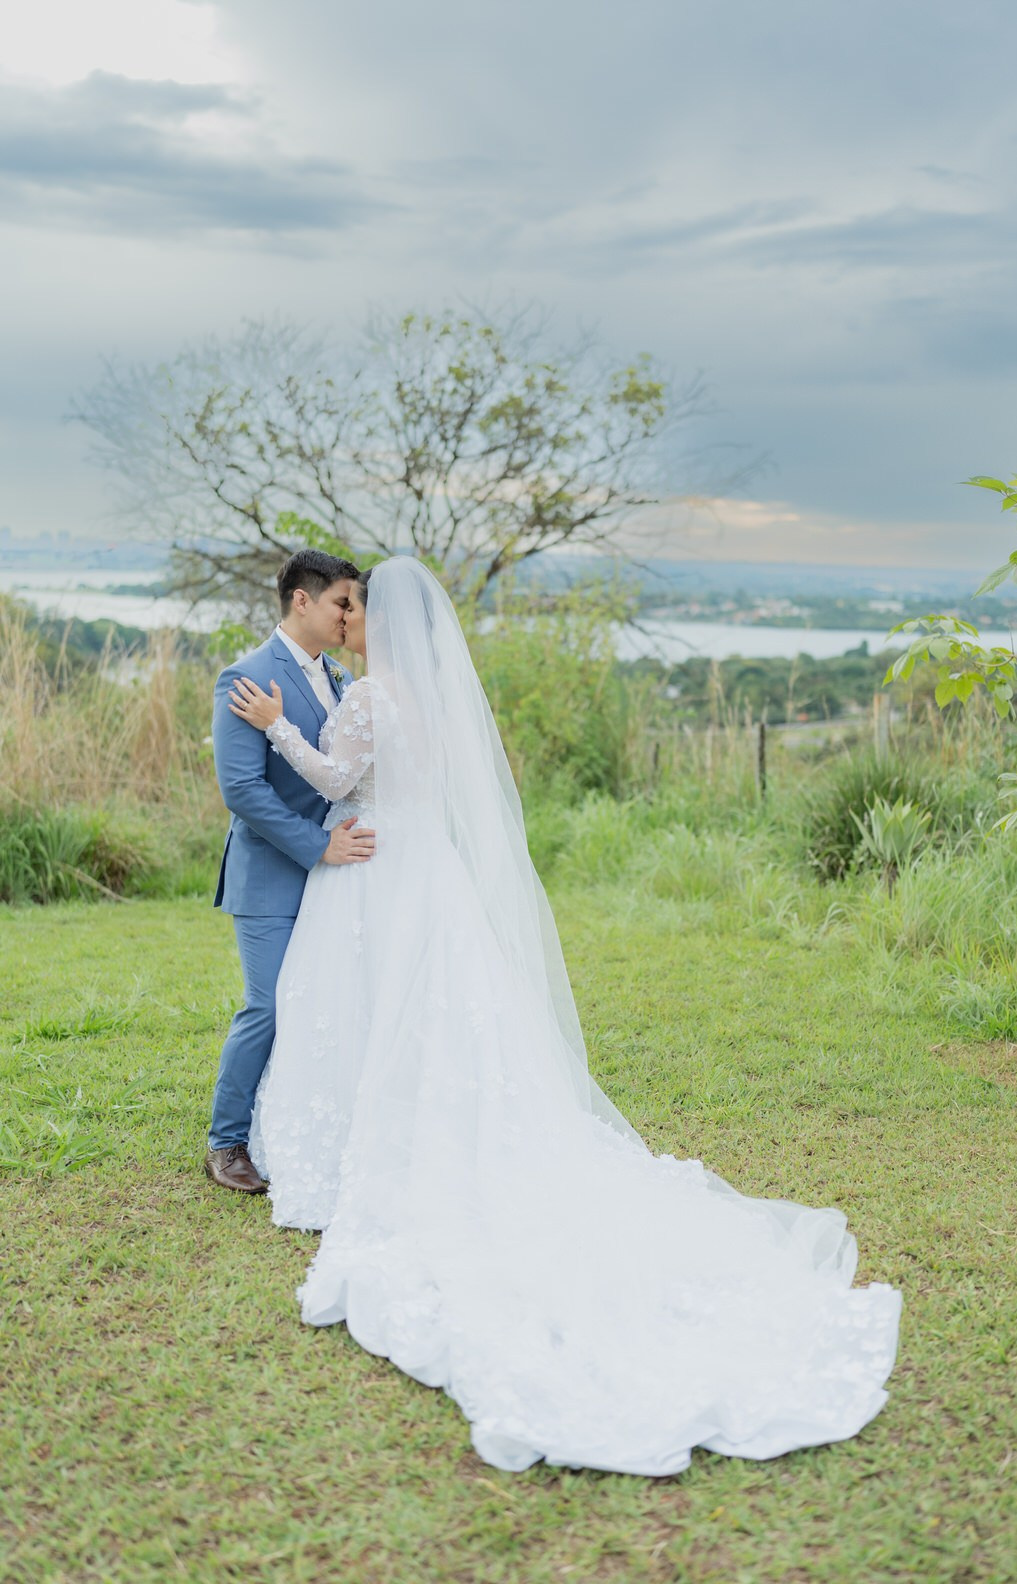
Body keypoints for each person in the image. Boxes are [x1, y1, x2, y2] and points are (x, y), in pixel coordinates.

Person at [227, 556, 902, 1476]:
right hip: (430, 874)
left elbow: (338, 775)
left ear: (372, 620)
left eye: (354, 606)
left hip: (377, 868)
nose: (345, 617)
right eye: (338, 603)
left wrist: (276, 730)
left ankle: (355, 1139)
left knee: (373, 1010)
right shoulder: (421, 701)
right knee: (429, 1014)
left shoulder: (370, 698)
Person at [205, 549, 375, 1195]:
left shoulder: (336, 675)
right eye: (340, 602)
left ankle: (289, 1128)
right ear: (301, 600)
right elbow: (242, 789)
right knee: (270, 1006)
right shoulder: (245, 677)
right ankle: (226, 1141)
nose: (347, 616)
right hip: (273, 875)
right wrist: (318, 846)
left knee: (320, 1007)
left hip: (335, 881)